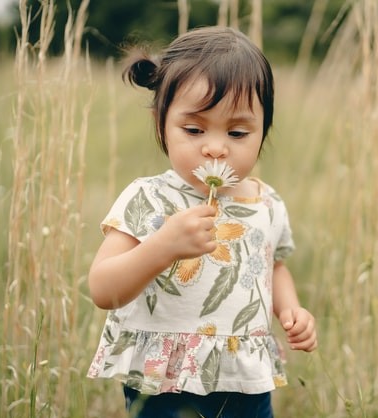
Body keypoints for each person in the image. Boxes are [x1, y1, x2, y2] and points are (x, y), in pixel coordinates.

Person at [87, 26, 317, 418]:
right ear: (162, 123)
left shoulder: (267, 202)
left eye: (238, 132)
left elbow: (273, 264)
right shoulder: (149, 198)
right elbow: (103, 289)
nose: (215, 146)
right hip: (164, 378)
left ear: (263, 132)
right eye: (193, 129)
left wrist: (291, 309)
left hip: (245, 374)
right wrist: (162, 247)